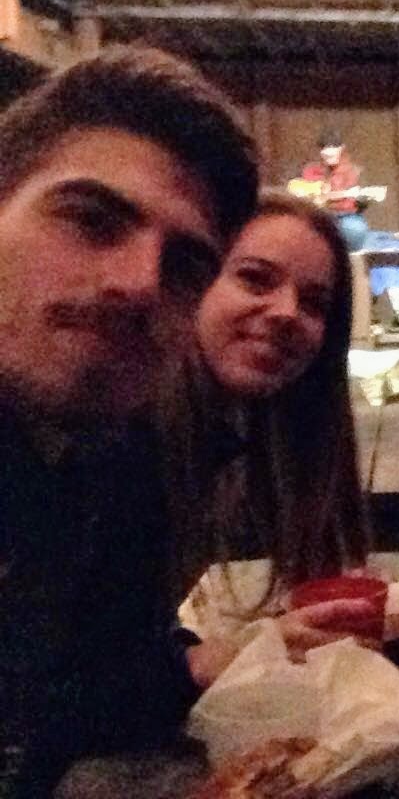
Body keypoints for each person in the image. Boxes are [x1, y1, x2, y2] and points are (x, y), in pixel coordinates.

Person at [0, 48, 259, 793]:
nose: (142, 283)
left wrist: (185, 664)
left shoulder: (95, 461)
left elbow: (68, 705)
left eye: (184, 265)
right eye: (91, 220)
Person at [165, 191, 374, 678]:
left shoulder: (226, 439)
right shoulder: (116, 434)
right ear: (193, 285)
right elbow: (47, 681)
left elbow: (123, 635)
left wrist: (193, 653)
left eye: (314, 303)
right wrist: (229, 655)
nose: (287, 312)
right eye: (255, 278)